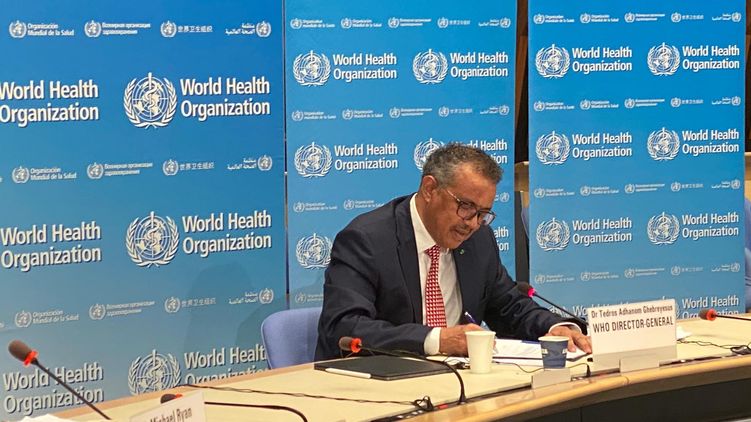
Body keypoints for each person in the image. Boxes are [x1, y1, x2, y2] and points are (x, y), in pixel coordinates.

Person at [315, 143, 591, 360]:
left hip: (457, 380)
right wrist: (437, 340)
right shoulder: (367, 240)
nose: (472, 223)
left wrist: (555, 328)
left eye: (483, 213)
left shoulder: (479, 240)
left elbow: (509, 307)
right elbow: (344, 327)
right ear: (429, 189)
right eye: (466, 206)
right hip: (381, 381)